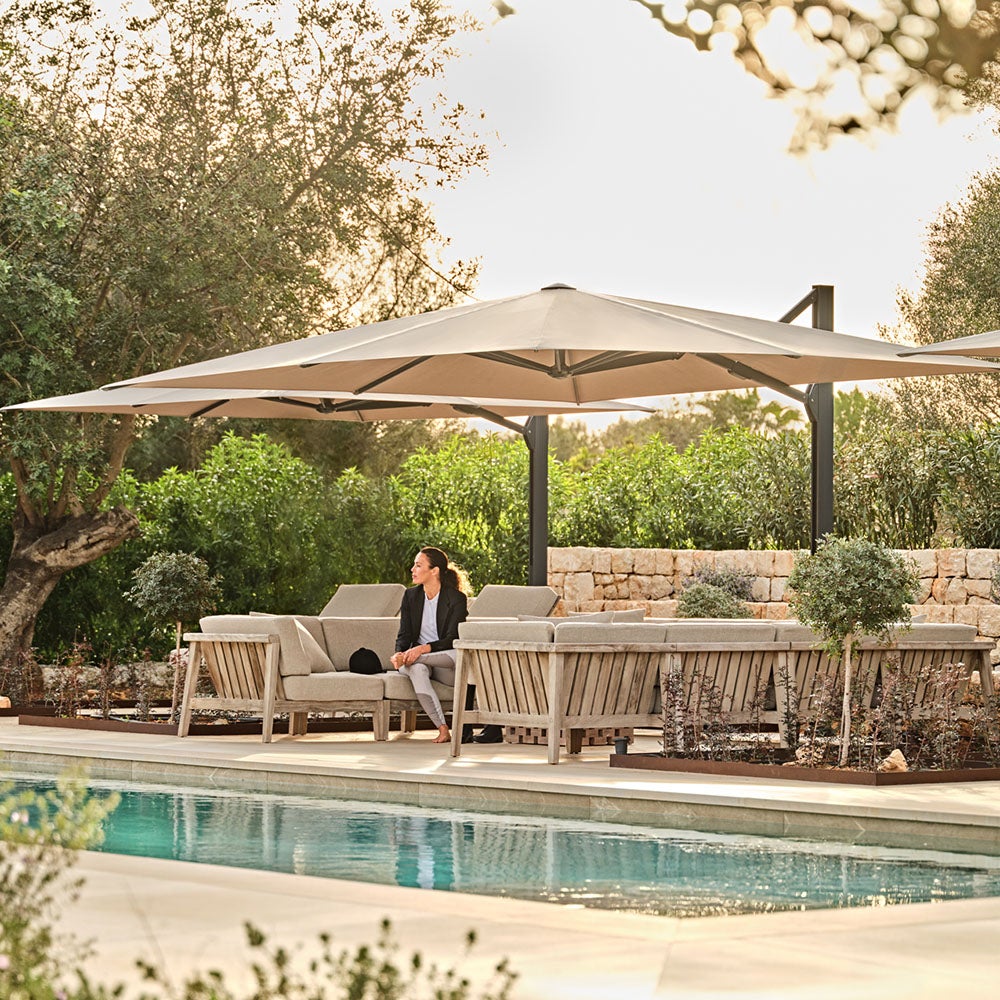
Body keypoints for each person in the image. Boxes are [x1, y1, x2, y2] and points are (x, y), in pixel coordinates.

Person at [391, 547, 470, 744]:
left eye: (418, 565)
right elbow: (404, 634)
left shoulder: (456, 599)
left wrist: (420, 650)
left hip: (443, 660)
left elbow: (453, 638)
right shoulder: (410, 596)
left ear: (434, 571)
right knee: (417, 668)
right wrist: (399, 653)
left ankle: (412, 658)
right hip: (417, 660)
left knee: (427, 659)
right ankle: (442, 728)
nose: (412, 570)